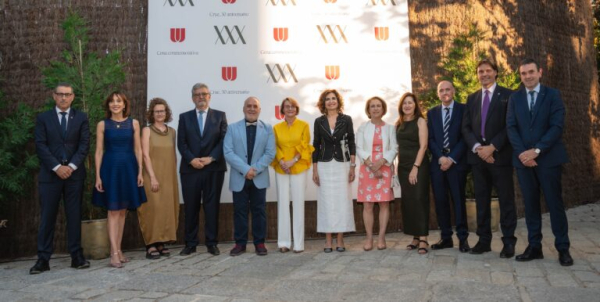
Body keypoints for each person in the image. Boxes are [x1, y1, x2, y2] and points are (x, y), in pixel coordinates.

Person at [506, 58, 573, 266]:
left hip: (548, 160)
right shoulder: (514, 98)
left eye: (531, 72)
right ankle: (535, 247)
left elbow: (556, 126)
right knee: (530, 205)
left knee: (555, 205)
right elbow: (511, 127)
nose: (527, 76)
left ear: (540, 72)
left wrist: (536, 151)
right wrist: (523, 154)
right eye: (523, 73)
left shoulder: (553, 95)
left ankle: (563, 248)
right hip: (523, 161)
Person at [31, 82, 90, 274]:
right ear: (53, 96)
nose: (64, 98)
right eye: (60, 94)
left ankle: (77, 256)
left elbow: (84, 145)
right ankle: (43, 259)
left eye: (67, 94)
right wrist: (57, 167)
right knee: (47, 217)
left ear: (73, 96)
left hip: (74, 176)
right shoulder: (43, 118)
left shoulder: (81, 117)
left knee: (74, 216)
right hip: (50, 176)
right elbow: (40, 145)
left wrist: (71, 166)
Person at [462, 59, 517, 257]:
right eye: (480, 71)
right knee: (482, 200)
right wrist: (478, 148)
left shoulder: (509, 96)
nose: (484, 74)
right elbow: (466, 127)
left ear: (495, 72)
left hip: (500, 157)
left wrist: (492, 147)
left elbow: (510, 125)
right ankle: (484, 240)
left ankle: (509, 242)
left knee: (506, 200)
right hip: (478, 159)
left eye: (487, 70)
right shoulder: (472, 98)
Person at [92, 92, 147, 268]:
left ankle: (119, 250)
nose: (115, 104)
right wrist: (98, 176)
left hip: (129, 169)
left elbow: (138, 150)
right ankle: (113, 253)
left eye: (119, 101)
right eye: (112, 102)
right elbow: (99, 151)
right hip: (110, 169)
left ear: (124, 105)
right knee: (113, 211)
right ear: (108, 105)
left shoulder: (134, 123)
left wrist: (140, 172)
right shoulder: (102, 124)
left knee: (123, 211)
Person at [177, 83, 227, 256]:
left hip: (213, 169)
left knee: (212, 207)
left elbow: (223, 141)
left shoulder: (220, 116)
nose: (201, 97)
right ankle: (190, 243)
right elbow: (181, 142)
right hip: (190, 170)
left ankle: (212, 243)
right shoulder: (184, 117)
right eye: (197, 94)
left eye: (204, 94)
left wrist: (210, 158)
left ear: (209, 96)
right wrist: (191, 159)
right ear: (192, 98)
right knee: (191, 207)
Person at [224, 97, 276, 256]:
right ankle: (240, 244)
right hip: (239, 177)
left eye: (255, 106)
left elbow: (270, 153)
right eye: (249, 106)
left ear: (259, 110)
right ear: (243, 108)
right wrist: (246, 170)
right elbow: (228, 152)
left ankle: (260, 243)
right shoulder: (232, 128)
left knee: (259, 210)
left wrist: (255, 170)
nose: (252, 109)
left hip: (258, 177)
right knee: (239, 211)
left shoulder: (268, 128)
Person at [427, 81, 470, 253]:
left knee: (458, 201)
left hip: (457, 163)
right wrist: (441, 157)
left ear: (453, 91)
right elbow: (430, 139)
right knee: (440, 201)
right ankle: (446, 238)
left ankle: (463, 239)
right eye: (441, 90)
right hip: (438, 164)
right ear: (438, 94)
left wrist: (451, 158)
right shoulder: (432, 113)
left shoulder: (464, 109)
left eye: (447, 89)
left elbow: (465, 136)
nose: (445, 92)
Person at [312, 89, 356, 253]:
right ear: (323, 103)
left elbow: (351, 142)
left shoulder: (347, 119)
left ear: (338, 101)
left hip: (342, 164)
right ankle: (328, 239)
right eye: (327, 99)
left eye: (333, 98)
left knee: (342, 201)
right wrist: (314, 170)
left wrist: (352, 166)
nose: (331, 101)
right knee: (326, 202)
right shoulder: (318, 121)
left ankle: (340, 239)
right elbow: (315, 145)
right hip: (324, 165)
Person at [138, 98, 179, 259]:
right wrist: (153, 177)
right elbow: (145, 155)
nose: (160, 114)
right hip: (151, 175)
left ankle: (161, 242)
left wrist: (173, 175)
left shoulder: (172, 131)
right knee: (152, 209)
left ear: (166, 112)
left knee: (165, 209)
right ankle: (150, 244)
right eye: (157, 111)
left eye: (162, 111)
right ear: (152, 114)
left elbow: (173, 155)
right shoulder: (147, 131)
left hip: (168, 176)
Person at [271, 97, 314, 253]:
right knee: (283, 203)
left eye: (293, 107)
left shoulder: (304, 125)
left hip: (299, 166)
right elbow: (274, 145)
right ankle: (283, 243)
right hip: (281, 167)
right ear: (282, 109)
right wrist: (282, 161)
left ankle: (298, 244)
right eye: (287, 106)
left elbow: (305, 144)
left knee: (298, 204)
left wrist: (293, 161)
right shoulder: (276, 127)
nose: (290, 109)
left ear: (297, 109)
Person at [356, 96, 397, 251]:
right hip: (367, 169)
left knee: (384, 204)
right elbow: (358, 148)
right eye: (372, 106)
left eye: (378, 106)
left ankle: (381, 238)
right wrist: (372, 165)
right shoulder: (362, 127)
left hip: (385, 168)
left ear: (383, 108)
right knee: (367, 205)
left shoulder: (390, 128)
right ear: (368, 109)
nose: (375, 108)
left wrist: (381, 163)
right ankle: (369, 239)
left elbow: (394, 148)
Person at [396, 93, 431, 255]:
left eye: (410, 103)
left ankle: (423, 237)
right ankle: (415, 237)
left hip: (418, 165)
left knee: (419, 199)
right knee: (408, 201)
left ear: (415, 105)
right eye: (405, 104)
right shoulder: (399, 124)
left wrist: (415, 167)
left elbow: (423, 146)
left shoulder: (420, 121)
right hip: (403, 167)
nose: (407, 106)